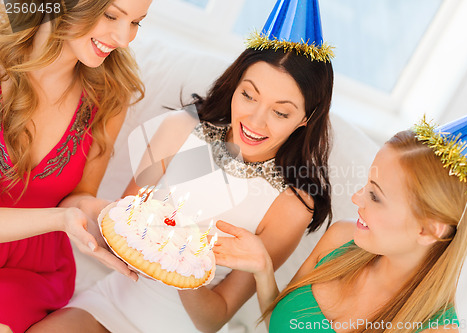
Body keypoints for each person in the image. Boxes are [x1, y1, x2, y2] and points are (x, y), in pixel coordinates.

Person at [30, 0, 336, 332]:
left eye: (281, 112)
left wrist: (182, 265)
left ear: (307, 118)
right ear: (235, 86)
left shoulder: (292, 205)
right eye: (249, 96)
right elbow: (121, 228)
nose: (255, 121)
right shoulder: (179, 130)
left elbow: (214, 318)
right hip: (111, 303)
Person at [212, 104, 467, 333]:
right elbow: (281, 324)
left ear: (428, 231)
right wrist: (263, 268)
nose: (356, 198)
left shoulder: (436, 330)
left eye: (375, 196)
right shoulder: (340, 239)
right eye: (366, 186)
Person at [0, 0, 152, 331]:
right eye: (111, 16)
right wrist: (61, 218)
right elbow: (62, 214)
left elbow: (79, 197)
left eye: (137, 22)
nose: (124, 39)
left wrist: (107, 217)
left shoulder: (110, 94)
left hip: (33, 271)